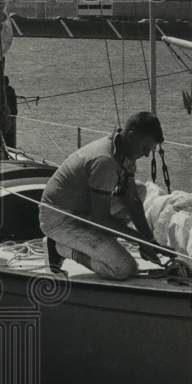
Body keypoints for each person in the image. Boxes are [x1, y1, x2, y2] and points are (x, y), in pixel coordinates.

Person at [40, 111, 166, 279]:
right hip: (58, 218)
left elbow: (132, 201)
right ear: (131, 136)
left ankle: (96, 242)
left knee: (140, 191)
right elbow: (102, 219)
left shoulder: (124, 151)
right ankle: (60, 248)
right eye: (145, 148)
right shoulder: (105, 161)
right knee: (123, 269)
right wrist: (140, 241)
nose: (146, 154)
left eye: (150, 150)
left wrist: (150, 241)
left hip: (81, 209)